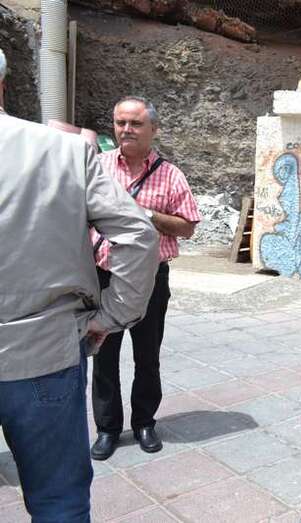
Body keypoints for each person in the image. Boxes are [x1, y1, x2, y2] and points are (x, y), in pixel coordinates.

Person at [0, 49, 159, 521]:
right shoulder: (63, 151)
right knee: (58, 502)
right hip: (44, 352)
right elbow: (138, 235)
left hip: (47, 352)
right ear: (4, 85)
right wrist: (111, 316)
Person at [90, 96, 201, 460]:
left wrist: (145, 213)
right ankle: (107, 429)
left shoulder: (170, 174)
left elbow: (187, 227)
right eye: (120, 122)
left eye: (136, 124)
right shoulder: (97, 166)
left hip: (150, 279)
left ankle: (144, 423)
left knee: (147, 355)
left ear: (153, 129)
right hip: (102, 276)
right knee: (103, 356)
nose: (126, 130)